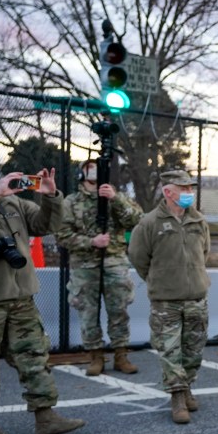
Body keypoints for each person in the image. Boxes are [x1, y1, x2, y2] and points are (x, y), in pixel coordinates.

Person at [0, 135, 85, 434]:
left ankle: (46, 417)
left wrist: (51, 196)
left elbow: (44, 224)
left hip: (20, 297)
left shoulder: (11, 200)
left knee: (34, 359)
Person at [128, 171, 210, 425]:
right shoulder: (150, 222)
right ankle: (177, 398)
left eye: (190, 188)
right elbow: (138, 257)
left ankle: (187, 388)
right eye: (183, 188)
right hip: (166, 302)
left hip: (196, 297)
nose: (189, 193)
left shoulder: (198, 221)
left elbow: (203, 253)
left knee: (193, 350)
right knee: (170, 351)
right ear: (168, 192)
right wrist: (158, 280)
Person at [55, 159, 143, 376]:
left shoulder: (116, 197)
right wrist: (90, 242)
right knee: (88, 312)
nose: (93, 174)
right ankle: (95, 356)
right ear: (81, 175)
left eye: (97, 169)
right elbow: (62, 234)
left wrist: (115, 199)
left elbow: (137, 221)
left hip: (114, 261)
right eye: (89, 170)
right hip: (84, 264)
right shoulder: (71, 202)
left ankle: (121, 354)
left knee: (119, 310)